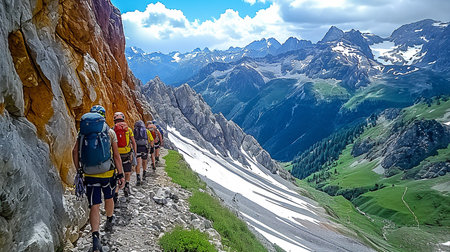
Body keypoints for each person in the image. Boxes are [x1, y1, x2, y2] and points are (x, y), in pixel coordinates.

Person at [72, 105, 125, 252]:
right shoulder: (110, 132)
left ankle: (95, 238)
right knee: (109, 197)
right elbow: (116, 155)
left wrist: (79, 171)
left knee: (94, 204)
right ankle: (109, 219)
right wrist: (120, 174)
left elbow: (75, 151)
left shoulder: (82, 132)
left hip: (89, 173)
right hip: (107, 173)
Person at [113, 112, 137, 198]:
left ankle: (115, 191)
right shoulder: (128, 129)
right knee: (127, 171)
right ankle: (126, 185)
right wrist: (134, 152)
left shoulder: (112, 130)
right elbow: (133, 142)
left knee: (116, 173)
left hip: (116, 155)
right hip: (127, 154)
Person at [133, 120, 154, 186]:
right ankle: (144, 174)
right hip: (144, 148)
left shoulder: (134, 131)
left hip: (137, 148)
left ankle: (138, 177)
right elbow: (151, 140)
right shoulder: (147, 131)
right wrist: (152, 148)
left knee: (138, 163)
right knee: (144, 161)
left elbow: (132, 141)